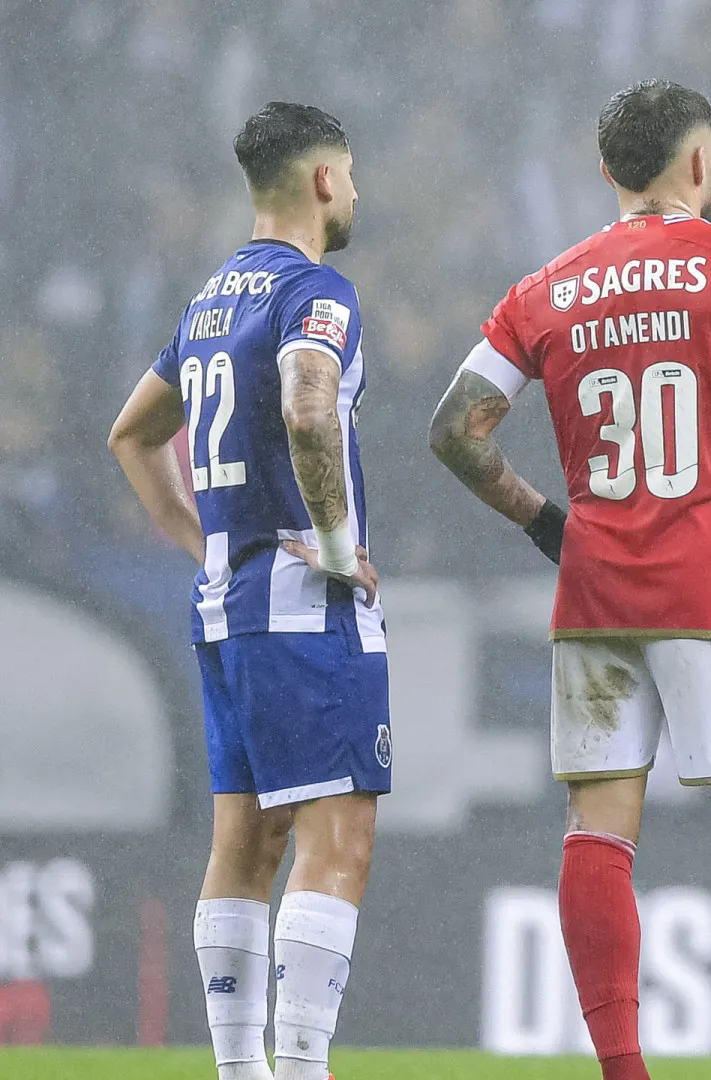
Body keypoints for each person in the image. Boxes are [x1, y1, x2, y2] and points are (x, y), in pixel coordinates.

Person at [427, 81, 711, 1080]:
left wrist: (545, 519)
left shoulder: (546, 288)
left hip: (595, 586)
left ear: (607, 174)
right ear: (700, 164)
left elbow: (454, 429)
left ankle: (623, 1072)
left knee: (597, 828)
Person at [106, 101, 384, 1080]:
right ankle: (301, 1069)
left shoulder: (210, 301)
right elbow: (311, 409)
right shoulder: (319, 293)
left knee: (244, 842)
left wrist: (199, 539)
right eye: (349, 174)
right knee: (338, 838)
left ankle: (239, 1070)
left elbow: (131, 434)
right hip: (304, 605)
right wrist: (340, 546)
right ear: (320, 181)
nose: (354, 192)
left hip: (224, 601)